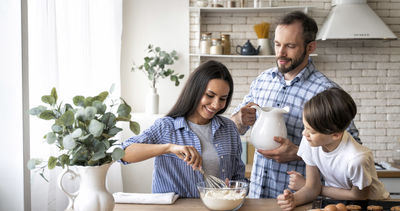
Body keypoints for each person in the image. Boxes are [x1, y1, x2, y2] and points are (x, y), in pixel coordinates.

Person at [231, 11, 360, 198]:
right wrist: (240, 119)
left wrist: (300, 153)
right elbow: (234, 129)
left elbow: (352, 149)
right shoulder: (263, 80)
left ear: (310, 47)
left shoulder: (326, 91)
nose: (281, 53)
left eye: (290, 46)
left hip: (301, 200)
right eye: (277, 45)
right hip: (256, 196)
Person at [121, 60, 245, 198]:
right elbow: (123, 153)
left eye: (223, 99)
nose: (216, 105)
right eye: (210, 95)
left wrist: (235, 188)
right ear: (195, 91)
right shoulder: (166, 127)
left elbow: (239, 177)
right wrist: (168, 148)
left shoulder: (229, 129)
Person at [277, 88, 389, 211]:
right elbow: (312, 188)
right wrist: (294, 199)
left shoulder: (356, 159)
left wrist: (313, 187)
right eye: (305, 126)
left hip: (374, 206)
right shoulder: (310, 141)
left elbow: (359, 196)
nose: (304, 133)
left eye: (312, 131)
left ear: (335, 135)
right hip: (341, 204)